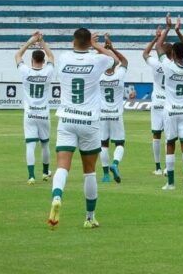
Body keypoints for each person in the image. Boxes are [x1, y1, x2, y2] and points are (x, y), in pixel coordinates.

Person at [47, 28, 118, 229]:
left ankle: (57, 196)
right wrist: (97, 46)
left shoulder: (63, 58)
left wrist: (87, 44)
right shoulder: (97, 60)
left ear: (73, 41)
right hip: (89, 121)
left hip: (67, 119)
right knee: (89, 172)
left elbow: (67, 53)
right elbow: (114, 60)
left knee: (62, 166)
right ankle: (89, 217)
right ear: (89, 41)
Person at [156, 13, 183, 191]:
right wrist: (179, 32)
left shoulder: (168, 66)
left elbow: (158, 46)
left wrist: (168, 28)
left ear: (172, 53)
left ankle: (171, 182)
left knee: (170, 144)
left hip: (170, 111)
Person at [14, 31, 55, 185]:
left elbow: (17, 56)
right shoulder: (47, 71)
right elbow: (52, 57)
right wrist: (42, 42)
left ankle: (31, 176)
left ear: (32, 60)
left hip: (30, 114)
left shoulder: (26, 71)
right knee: (45, 144)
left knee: (30, 145)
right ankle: (45, 172)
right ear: (43, 61)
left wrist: (30, 41)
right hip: (43, 114)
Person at [99, 34, 128, 183]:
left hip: (102, 115)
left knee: (103, 144)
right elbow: (125, 61)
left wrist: (103, 49)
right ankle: (115, 164)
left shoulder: (98, 76)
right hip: (116, 114)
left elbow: (98, 60)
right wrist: (112, 48)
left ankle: (105, 175)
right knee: (120, 143)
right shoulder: (119, 75)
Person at [143, 27, 172, 175]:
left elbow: (145, 53)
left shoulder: (155, 63)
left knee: (156, 135)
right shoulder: (172, 66)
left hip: (156, 102)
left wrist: (156, 38)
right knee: (169, 136)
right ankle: (168, 167)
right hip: (169, 103)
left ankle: (158, 167)